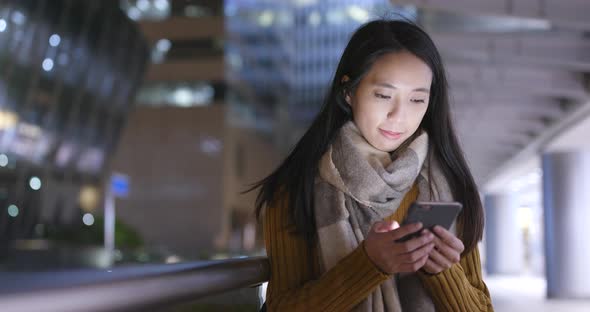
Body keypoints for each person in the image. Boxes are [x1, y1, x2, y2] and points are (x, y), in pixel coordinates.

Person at [249, 19, 494, 311]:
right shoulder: (296, 189)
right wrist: (369, 265)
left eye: (417, 99)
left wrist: (442, 271)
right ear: (348, 92)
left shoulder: (449, 185)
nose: (399, 116)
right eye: (383, 95)